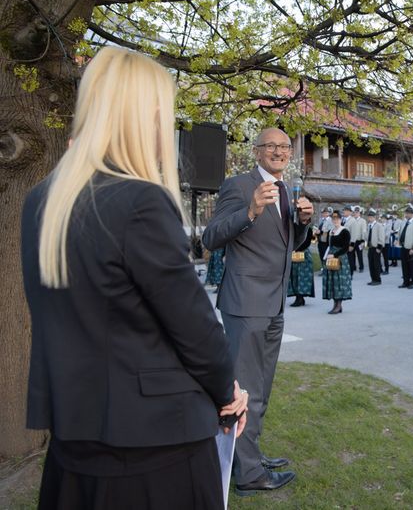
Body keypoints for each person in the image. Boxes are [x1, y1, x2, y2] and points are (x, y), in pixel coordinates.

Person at [21, 47, 246, 509]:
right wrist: (229, 394)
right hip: (155, 449)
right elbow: (195, 329)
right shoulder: (139, 201)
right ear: (148, 116)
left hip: (75, 440)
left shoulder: (41, 200)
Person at [203, 126, 313, 494]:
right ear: (257, 151)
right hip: (245, 305)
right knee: (243, 389)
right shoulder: (238, 185)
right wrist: (250, 209)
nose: (279, 152)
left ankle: (248, 455)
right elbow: (211, 236)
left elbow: (285, 244)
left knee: (261, 389)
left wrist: (304, 224)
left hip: (274, 303)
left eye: (284, 146)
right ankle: (248, 476)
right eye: (271, 146)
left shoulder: (287, 188)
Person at [322, 210, 353, 314]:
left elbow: (345, 248)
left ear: (341, 219)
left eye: (337, 219)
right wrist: (326, 256)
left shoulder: (345, 231)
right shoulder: (331, 231)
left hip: (340, 258)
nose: (335, 221)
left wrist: (335, 255)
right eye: (333, 219)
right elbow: (329, 246)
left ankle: (339, 305)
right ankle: (336, 304)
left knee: (339, 282)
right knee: (332, 281)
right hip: (331, 257)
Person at [288, 228, 315, 307]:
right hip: (294, 253)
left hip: (304, 253)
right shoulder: (293, 227)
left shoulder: (308, 229)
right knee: (294, 276)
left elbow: (308, 242)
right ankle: (298, 297)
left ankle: (300, 297)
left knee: (303, 276)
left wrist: (297, 249)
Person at [398, 205, 413, 288]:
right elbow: (401, 232)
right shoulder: (404, 222)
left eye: (408, 213)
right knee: (404, 266)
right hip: (404, 247)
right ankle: (405, 282)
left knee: (412, 266)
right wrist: (398, 240)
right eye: (406, 213)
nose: (407, 215)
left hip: (411, 248)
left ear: (412, 214)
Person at [366, 208, 385, 285]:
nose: (369, 218)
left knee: (376, 264)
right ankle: (373, 279)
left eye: (371, 217)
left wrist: (379, 247)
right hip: (370, 247)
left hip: (376, 247)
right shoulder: (369, 225)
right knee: (371, 264)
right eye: (369, 217)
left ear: (374, 217)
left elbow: (381, 237)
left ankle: (378, 280)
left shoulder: (379, 226)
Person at [351, 206, 368, 272]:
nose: (355, 213)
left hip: (359, 241)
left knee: (359, 254)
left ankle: (361, 267)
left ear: (359, 213)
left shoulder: (362, 221)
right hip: (352, 240)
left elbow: (364, 231)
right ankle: (353, 266)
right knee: (352, 255)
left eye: (357, 212)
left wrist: (363, 241)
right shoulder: (352, 220)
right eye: (354, 212)